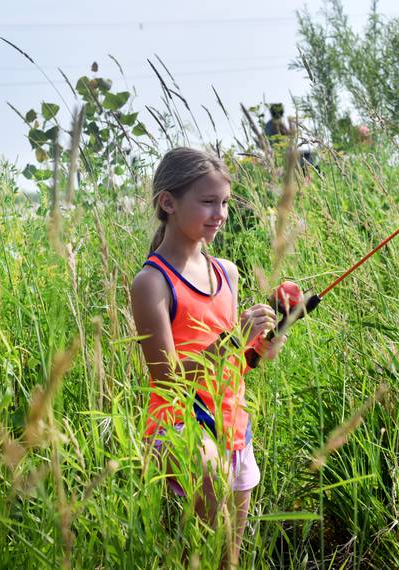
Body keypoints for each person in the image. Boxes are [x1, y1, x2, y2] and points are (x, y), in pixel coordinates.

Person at [130, 146, 286, 565]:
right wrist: (234, 340)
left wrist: (258, 347)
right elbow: (166, 380)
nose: (220, 213)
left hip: (233, 423)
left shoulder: (227, 272)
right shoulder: (152, 283)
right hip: (178, 424)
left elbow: (238, 365)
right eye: (207, 202)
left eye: (225, 203)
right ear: (168, 202)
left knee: (226, 558)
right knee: (199, 546)